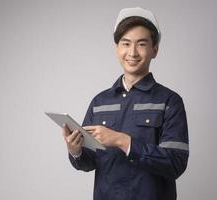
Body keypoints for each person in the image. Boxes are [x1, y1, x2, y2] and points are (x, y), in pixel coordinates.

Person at [62, 7, 189, 200]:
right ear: (116, 48)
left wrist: (123, 141)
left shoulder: (169, 101)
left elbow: (176, 163)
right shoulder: (99, 102)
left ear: (154, 50)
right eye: (126, 43)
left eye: (141, 44)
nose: (132, 52)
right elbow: (89, 162)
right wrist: (76, 150)